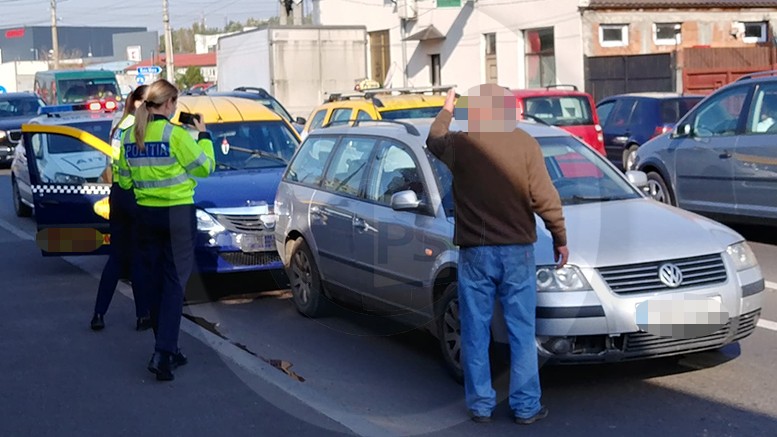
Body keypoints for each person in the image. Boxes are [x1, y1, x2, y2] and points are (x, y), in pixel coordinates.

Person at [425, 85, 569, 425]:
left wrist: (447, 108)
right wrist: (560, 237)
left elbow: (433, 139)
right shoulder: (525, 143)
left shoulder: (461, 144)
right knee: (521, 330)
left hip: (476, 253)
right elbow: (544, 198)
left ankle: (480, 405)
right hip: (518, 252)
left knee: (475, 329)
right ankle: (526, 406)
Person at [117, 79, 215, 381]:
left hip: (145, 216)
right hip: (177, 217)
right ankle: (162, 353)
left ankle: (169, 348)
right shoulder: (176, 135)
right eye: (175, 102)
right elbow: (205, 167)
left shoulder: (129, 136)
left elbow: (123, 181)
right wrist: (204, 135)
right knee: (174, 285)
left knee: (155, 285)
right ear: (169, 104)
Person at [91, 84, 151, 332]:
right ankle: (142, 316)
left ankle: (98, 314)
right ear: (140, 103)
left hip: (118, 194)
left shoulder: (119, 126)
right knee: (137, 257)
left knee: (116, 258)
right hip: (133, 194)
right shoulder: (137, 128)